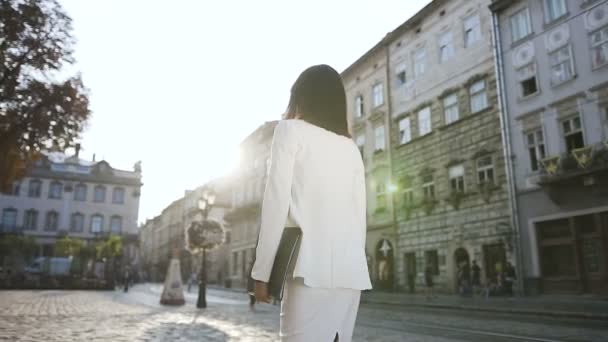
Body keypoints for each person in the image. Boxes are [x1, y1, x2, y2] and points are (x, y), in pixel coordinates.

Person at [252, 64, 372, 342]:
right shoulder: (350, 147)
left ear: (301, 97)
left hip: (308, 269)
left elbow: (275, 205)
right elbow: (358, 218)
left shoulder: (290, 131)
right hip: (349, 273)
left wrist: (262, 273)